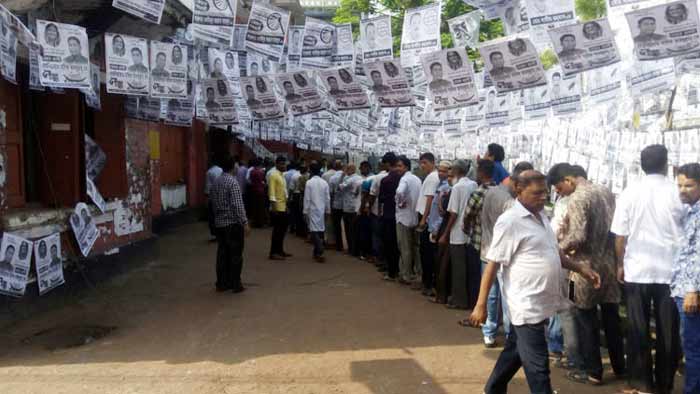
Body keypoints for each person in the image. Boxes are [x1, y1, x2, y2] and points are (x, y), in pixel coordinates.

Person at [469, 170, 601, 394]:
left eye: (545, 193)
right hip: (525, 304)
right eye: (537, 193)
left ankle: (492, 389)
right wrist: (481, 305)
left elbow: (554, 252)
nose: (543, 198)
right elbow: (492, 264)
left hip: (542, 302)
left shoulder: (541, 217)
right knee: (538, 368)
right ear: (519, 191)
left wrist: (580, 268)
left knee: (516, 350)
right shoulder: (510, 222)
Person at [611, 145, 683, 394]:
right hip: (671, 272)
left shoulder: (629, 193)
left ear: (642, 165)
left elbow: (620, 236)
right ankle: (664, 383)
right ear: (666, 164)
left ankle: (642, 383)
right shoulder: (678, 192)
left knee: (637, 328)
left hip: (637, 270)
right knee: (669, 331)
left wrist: (620, 264)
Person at [547, 163, 625, 385]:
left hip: (581, 270)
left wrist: (556, 247)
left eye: (559, 188)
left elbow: (578, 236)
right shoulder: (606, 191)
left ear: (569, 180)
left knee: (583, 318)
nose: (559, 193)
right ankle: (620, 367)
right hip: (608, 264)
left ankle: (592, 371)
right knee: (611, 319)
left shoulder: (578, 198)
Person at [478, 161, 533, 347]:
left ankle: (489, 332)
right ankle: (511, 335)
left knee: (492, 295)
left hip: (487, 251)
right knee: (507, 296)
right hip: (503, 256)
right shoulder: (511, 203)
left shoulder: (491, 191)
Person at [672, 163, 700, 394]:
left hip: (691, 292)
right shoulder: (692, 211)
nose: (682, 189)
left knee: (693, 348)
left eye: (689, 185)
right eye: (679, 184)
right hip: (684, 289)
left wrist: (693, 290)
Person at [460, 160, 496, 319]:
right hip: (495, 245)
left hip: (478, 242)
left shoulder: (479, 192)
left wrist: (467, 230)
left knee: (476, 279)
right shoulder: (500, 192)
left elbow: (467, 216)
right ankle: (491, 316)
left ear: (481, 173)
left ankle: (476, 313)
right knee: (492, 285)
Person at [440, 159, 477, 309]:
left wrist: (445, 233)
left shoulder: (458, 187)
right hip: (470, 232)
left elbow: (453, 213)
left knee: (458, 270)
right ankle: (467, 299)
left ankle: (459, 301)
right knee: (467, 269)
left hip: (457, 233)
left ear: (455, 171)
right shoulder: (473, 184)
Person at [210, 157, 249, 294]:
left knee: (222, 254)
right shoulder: (233, 182)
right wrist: (244, 222)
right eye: (237, 164)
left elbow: (213, 203)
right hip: (232, 224)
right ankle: (235, 283)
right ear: (233, 166)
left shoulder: (216, 182)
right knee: (235, 254)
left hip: (220, 223)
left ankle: (222, 282)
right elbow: (237, 205)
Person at [395, 155, 422, 285]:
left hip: (404, 218)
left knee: (404, 248)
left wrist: (400, 202)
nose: (397, 168)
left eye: (399, 166)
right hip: (415, 217)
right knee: (415, 248)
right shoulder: (417, 179)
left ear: (406, 167)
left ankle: (406, 275)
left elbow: (399, 192)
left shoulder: (404, 179)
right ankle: (418, 273)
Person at [416, 153, 441, 295]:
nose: (422, 166)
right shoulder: (431, 177)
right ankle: (427, 282)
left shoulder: (432, 178)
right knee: (425, 252)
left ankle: (428, 284)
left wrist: (423, 220)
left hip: (427, 219)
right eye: (421, 163)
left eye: (425, 163)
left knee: (427, 252)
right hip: (427, 218)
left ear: (432, 162)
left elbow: (429, 200)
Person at [428, 161, 452, 301]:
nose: (441, 173)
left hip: (440, 229)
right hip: (435, 226)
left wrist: (436, 228)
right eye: (440, 170)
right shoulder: (439, 185)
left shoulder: (448, 189)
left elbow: (443, 213)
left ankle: (440, 293)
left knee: (440, 262)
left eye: (445, 171)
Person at [378, 154, 402, 281]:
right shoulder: (402, 178)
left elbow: (381, 199)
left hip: (388, 214)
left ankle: (391, 271)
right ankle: (398, 270)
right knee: (398, 244)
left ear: (387, 164)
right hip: (399, 215)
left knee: (389, 243)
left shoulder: (385, 180)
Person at [368, 154, 393, 272]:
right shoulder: (398, 176)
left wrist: (369, 208)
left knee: (377, 235)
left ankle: (378, 258)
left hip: (378, 211)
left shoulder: (378, 178)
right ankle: (386, 260)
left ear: (385, 164)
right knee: (388, 238)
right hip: (392, 213)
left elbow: (372, 195)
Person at [304, 163, 331, 263]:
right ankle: (316, 253)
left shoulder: (309, 183)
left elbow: (307, 198)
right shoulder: (324, 183)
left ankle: (320, 247)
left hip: (312, 209)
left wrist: (305, 211)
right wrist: (328, 210)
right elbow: (327, 198)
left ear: (310, 171)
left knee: (313, 230)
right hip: (322, 209)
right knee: (320, 230)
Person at [268, 156, 292, 260]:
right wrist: (274, 209)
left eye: (285, 163)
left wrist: (286, 206)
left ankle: (280, 250)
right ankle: (273, 253)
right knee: (277, 231)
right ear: (277, 164)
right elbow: (271, 193)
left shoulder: (282, 175)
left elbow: (284, 192)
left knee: (282, 231)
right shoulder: (273, 175)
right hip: (277, 208)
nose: (284, 165)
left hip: (283, 207)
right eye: (282, 164)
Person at [340, 164, 364, 257]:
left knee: (349, 230)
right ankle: (354, 249)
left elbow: (340, 187)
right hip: (354, 207)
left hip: (349, 208)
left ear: (350, 169)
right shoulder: (358, 177)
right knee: (353, 230)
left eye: (347, 169)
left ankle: (352, 250)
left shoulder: (350, 179)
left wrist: (343, 174)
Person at [329, 163, 346, 252]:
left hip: (336, 205)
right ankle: (349, 245)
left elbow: (331, 193)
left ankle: (339, 246)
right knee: (347, 226)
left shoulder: (332, 178)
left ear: (334, 167)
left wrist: (330, 205)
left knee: (337, 225)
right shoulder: (347, 176)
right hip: (346, 205)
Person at [205, 160, 224, 241]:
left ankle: (217, 235)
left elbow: (208, 187)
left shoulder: (209, 172)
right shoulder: (221, 170)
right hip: (222, 195)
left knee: (213, 217)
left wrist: (207, 196)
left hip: (213, 197)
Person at [322, 160, 340, 247]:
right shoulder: (338, 174)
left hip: (328, 200)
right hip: (337, 201)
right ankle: (335, 241)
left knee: (327, 221)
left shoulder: (325, 175)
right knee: (335, 223)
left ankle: (328, 240)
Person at [248, 159, 267, 228]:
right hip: (260, 191)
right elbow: (262, 181)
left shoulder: (252, 172)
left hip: (253, 190)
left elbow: (250, 180)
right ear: (259, 165)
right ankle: (260, 223)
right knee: (261, 208)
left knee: (254, 207)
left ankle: (254, 222)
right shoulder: (260, 172)